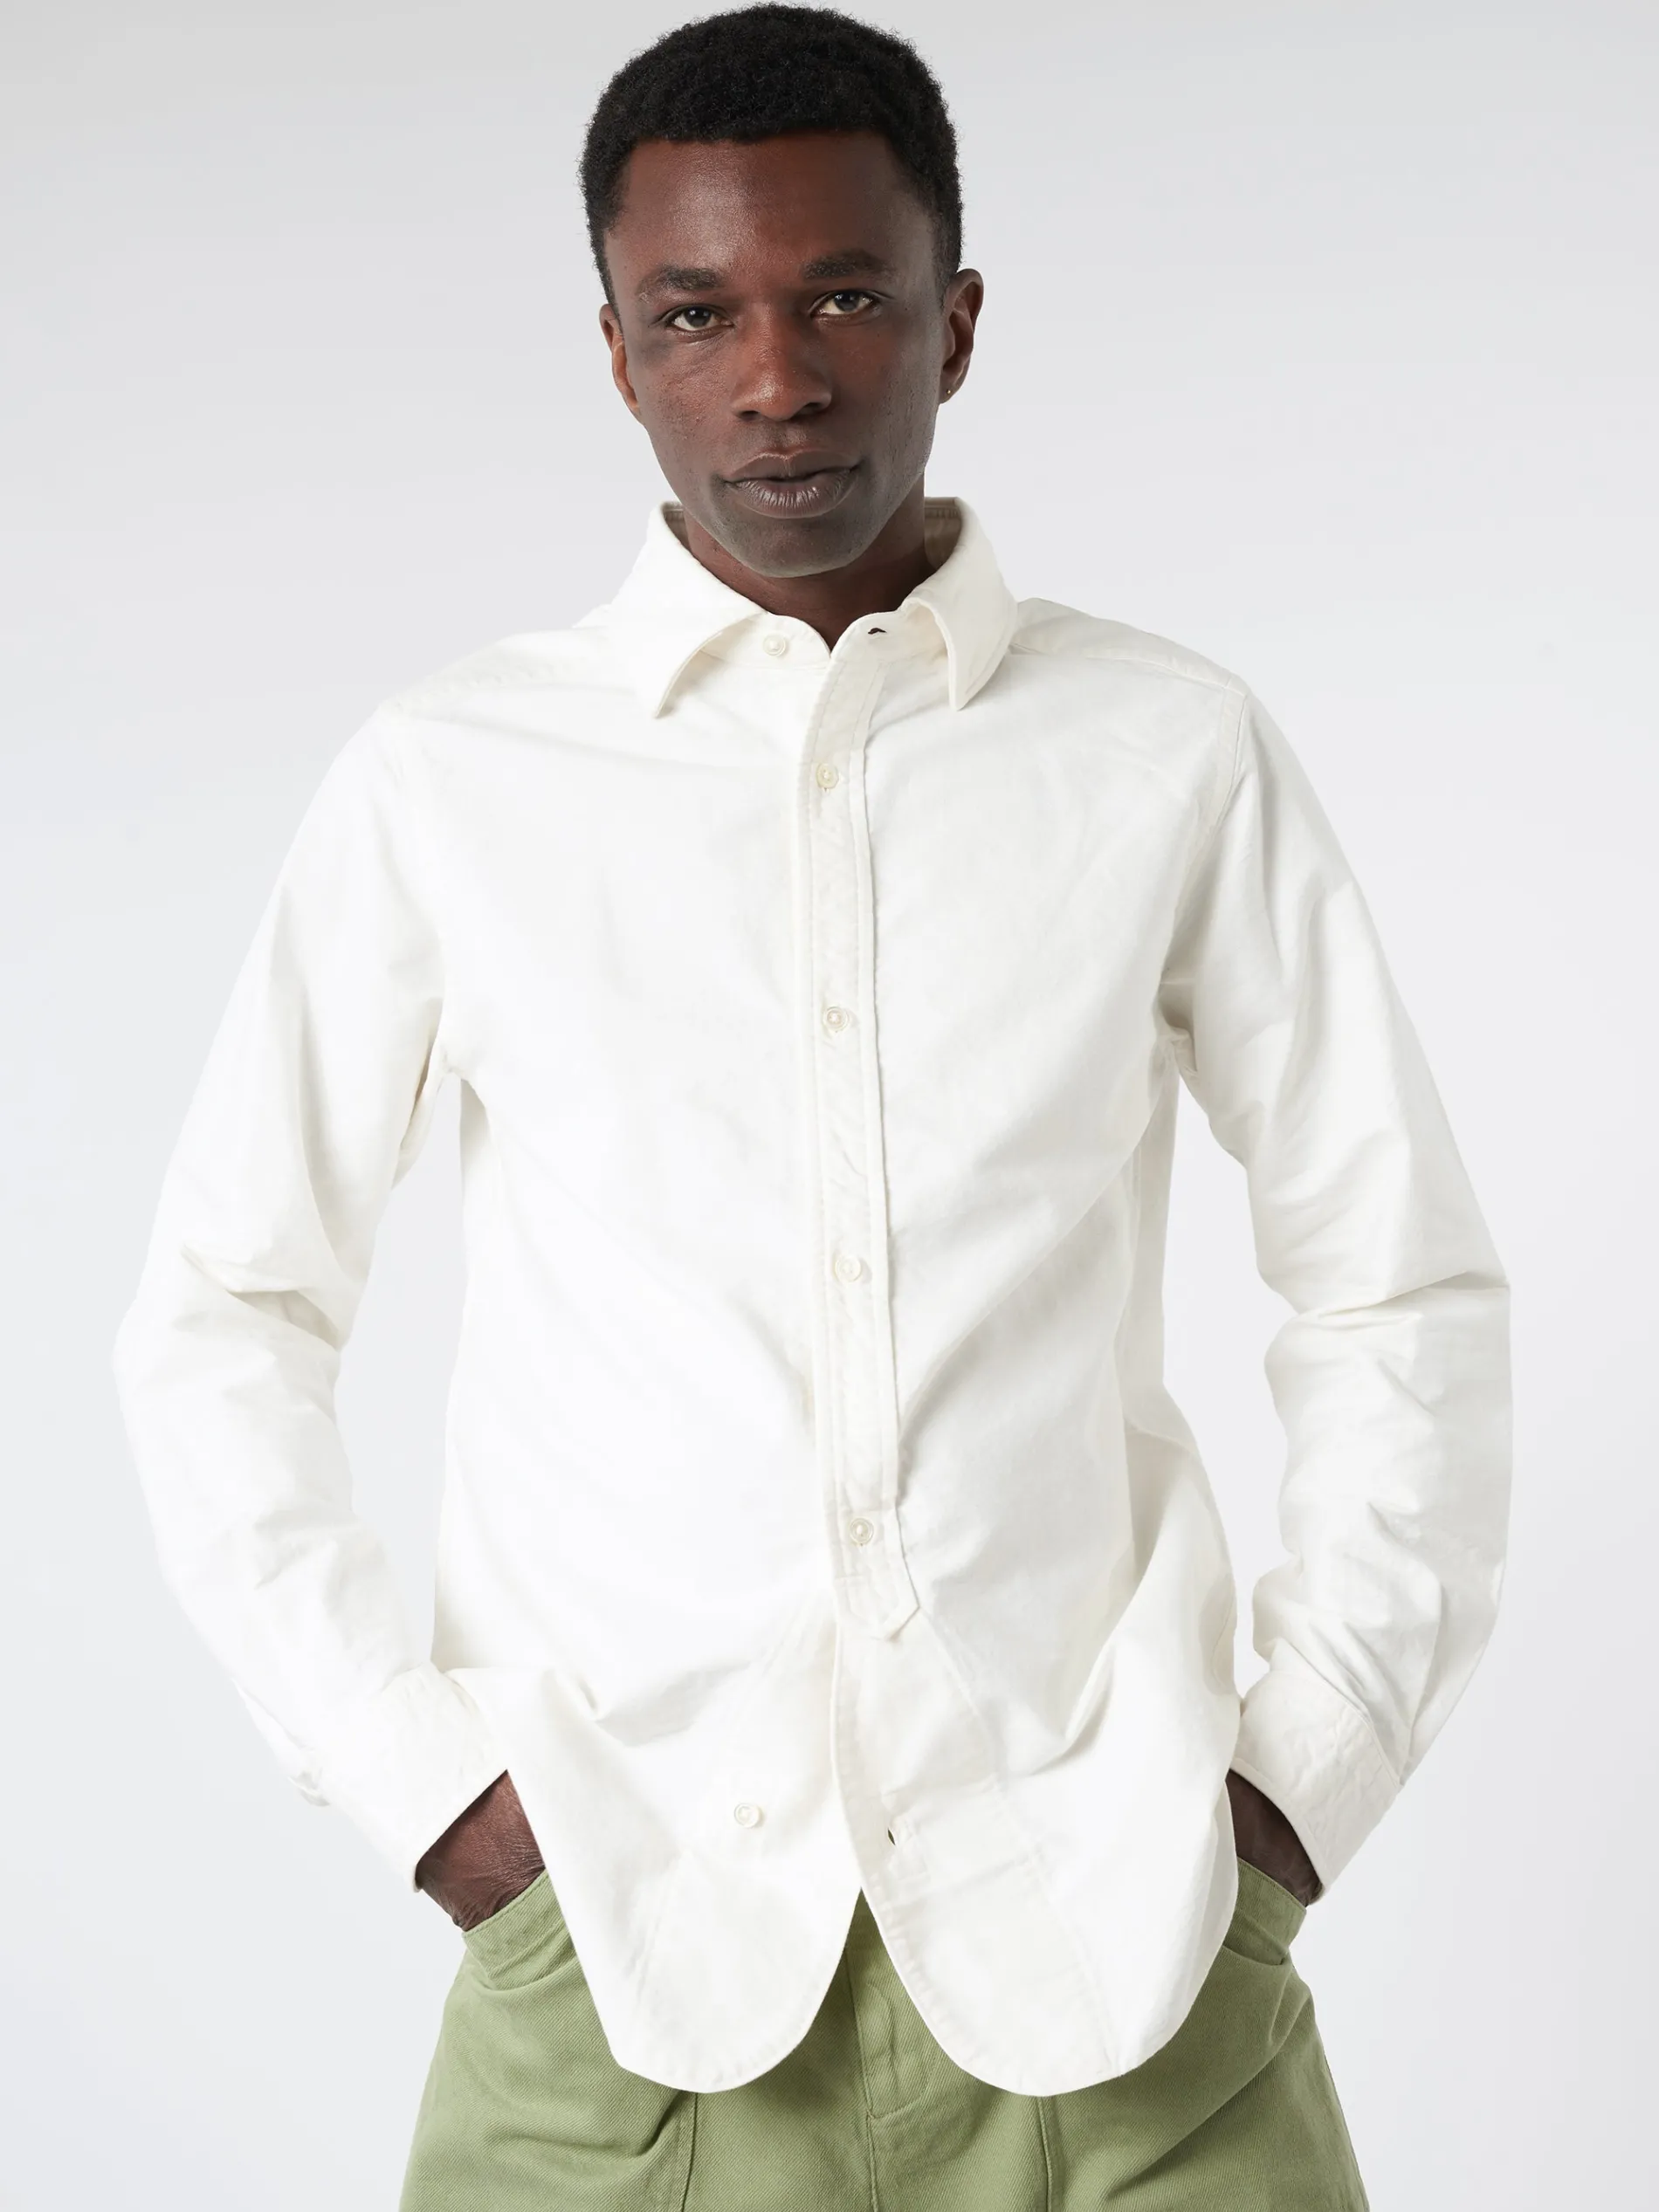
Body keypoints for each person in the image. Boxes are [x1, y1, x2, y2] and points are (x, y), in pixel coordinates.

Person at [112, 8, 1511, 2207]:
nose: (776, 377)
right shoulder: (449, 783)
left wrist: (1289, 1797)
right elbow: (222, 1313)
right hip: (621, 1978)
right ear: (616, 352)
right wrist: (436, 1802)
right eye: (696, 313)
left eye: (845, 295)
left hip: (1128, 1962)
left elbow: (1393, 1283)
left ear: (955, 319)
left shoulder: (1166, 750)